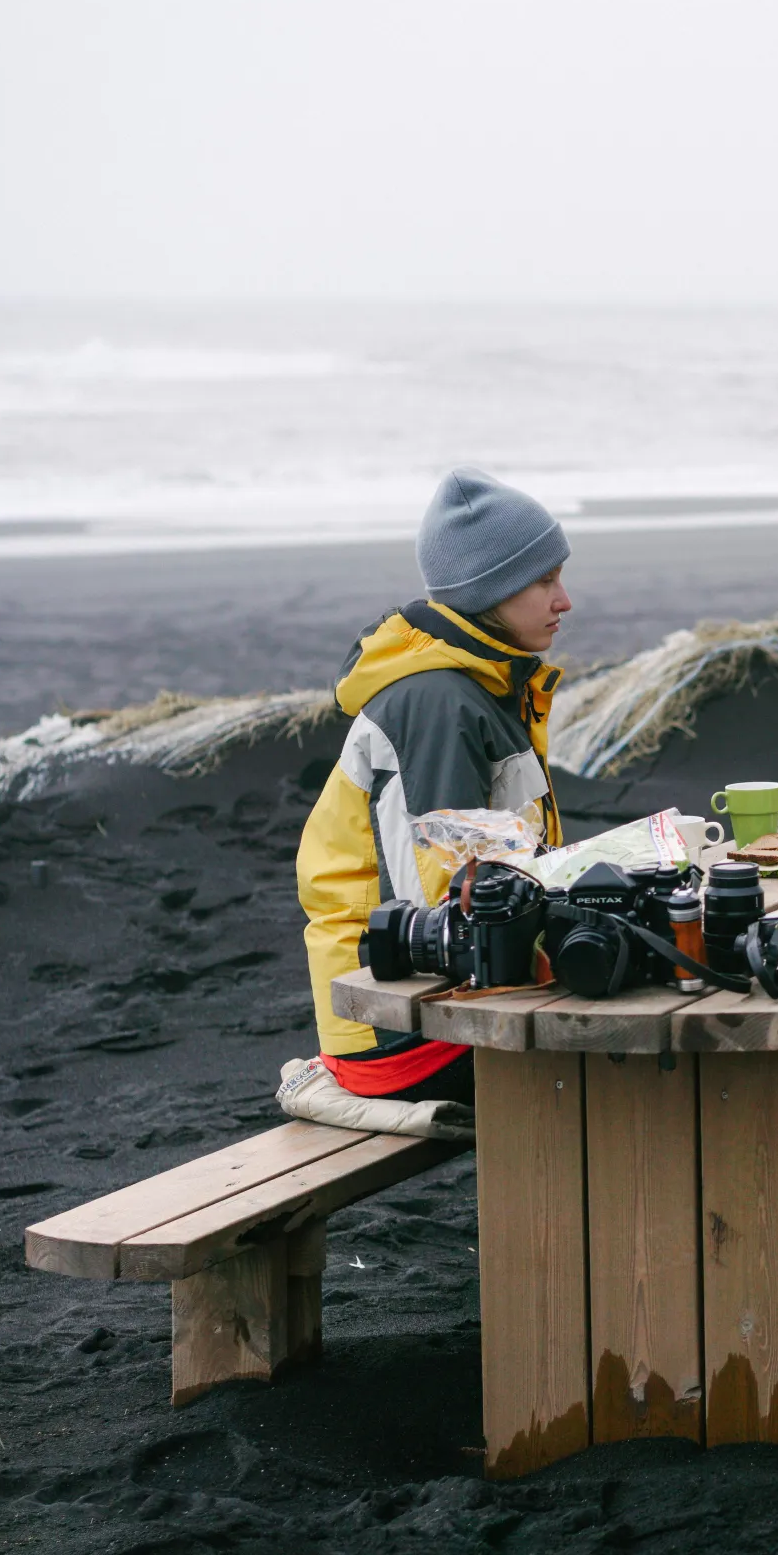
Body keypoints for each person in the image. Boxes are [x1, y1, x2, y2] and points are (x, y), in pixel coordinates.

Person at [294, 467, 571, 1109]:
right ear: (490, 592)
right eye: (544, 580)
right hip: (398, 1033)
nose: (564, 601)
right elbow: (442, 906)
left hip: (423, 1009)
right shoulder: (439, 706)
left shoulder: (484, 687)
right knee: (626, 1064)